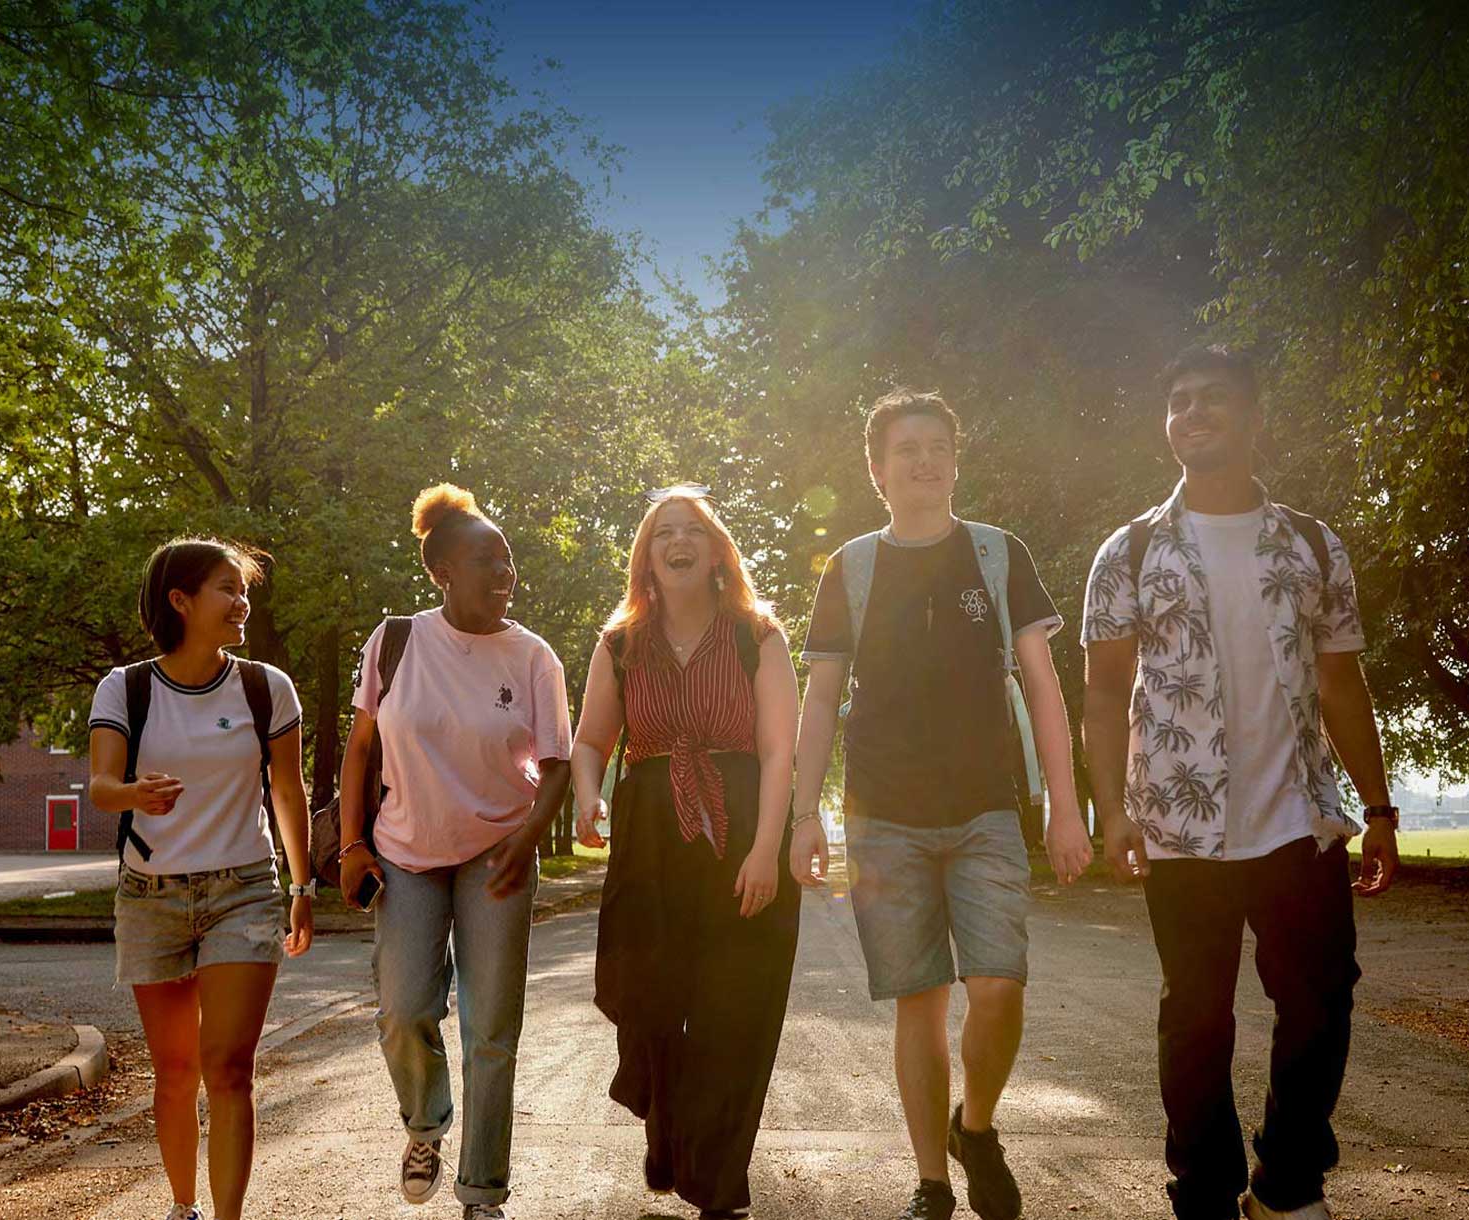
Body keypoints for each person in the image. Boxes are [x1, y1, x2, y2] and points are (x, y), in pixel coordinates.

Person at [1081, 345, 1399, 1220]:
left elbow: (1342, 684)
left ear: (1255, 418)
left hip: (1300, 819)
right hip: (1181, 827)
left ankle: (1288, 1186)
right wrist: (1111, 810)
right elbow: (1103, 695)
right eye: (1178, 402)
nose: (1192, 414)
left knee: (1320, 1005)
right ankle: (1205, 1193)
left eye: (1212, 400)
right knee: (1196, 1019)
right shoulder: (1131, 549)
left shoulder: (1310, 543)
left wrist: (1376, 808)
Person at [792, 389, 1094, 1220]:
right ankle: (931, 1183)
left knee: (999, 987)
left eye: (938, 448)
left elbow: (1042, 685)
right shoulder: (851, 568)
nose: (923, 461)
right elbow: (819, 700)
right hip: (882, 817)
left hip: (987, 810)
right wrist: (801, 814)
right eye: (905, 450)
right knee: (918, 1003)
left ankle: (977, 1124)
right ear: (877, 469)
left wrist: (1066, 809)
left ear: (955, 461)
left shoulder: (998, 555)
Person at [337, 484, 572, 1220]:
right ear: (442, 569)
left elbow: (557, 764)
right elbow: (360, 750)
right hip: (406, 852)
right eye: (485, 560)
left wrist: (528, 840)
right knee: (404, 1009)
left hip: (498, 854)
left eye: (509, 561)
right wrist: (350, 844)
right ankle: (424, 1123)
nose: (504, 573)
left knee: (491, 1029)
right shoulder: (396, 639)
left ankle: (483, 1194)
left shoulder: (533, 657)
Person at [570, 484, 801, 1220]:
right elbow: (588, 744)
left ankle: (720, 1187)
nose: (678, 541)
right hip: (649, 842)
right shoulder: (620, 644)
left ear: (715, 552)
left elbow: (779, 752)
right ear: (646, 557)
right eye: (663, 532)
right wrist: (588, 796)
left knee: (736, 1011)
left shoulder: (756, 635)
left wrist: (767, 849)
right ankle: (668, 1130)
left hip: (740, 834)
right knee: (651, 1004)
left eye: (693, 530)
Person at [88, 538, 313, 1220]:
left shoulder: (264, 687)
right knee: (177, 1072)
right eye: (226, 587)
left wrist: (302, 888)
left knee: (228, 1069)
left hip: (243, 890)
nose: (242, 601)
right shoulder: (125, 687)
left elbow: (287, 793)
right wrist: (135, 796)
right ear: (180, 601)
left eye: (243, 589)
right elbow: (101, 785)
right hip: (151, 895)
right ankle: (182, 1208)